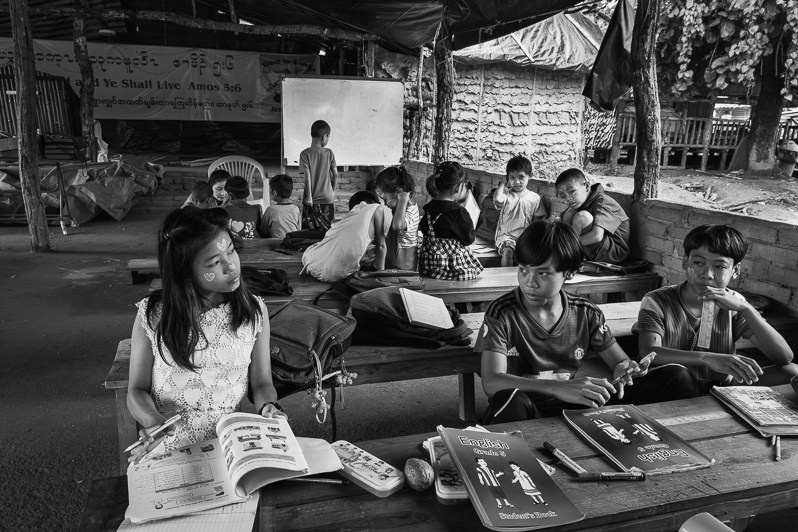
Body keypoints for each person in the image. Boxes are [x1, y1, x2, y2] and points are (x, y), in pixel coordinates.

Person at [477, 220, 698, 423]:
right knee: (508, 400)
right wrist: (558, 388)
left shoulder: (586, 313)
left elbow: (619, 362)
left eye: (543, 273)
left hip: (579, 405)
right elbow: (491, 382)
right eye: (523, 270)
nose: (530, 283)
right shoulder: (502, 313)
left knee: (675, 376)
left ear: (570, 273)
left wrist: (626, 369)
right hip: (529, 409)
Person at [126, 207, 285, 463]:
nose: (231, 266)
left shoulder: (253, 312)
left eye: (231, 251)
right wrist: (154, 422)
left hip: (230, 446)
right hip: (171, 445)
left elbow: (262, 384)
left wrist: (269, 407)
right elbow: (136, 391)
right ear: (184, 270)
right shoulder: (154, 314)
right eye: (214, 263)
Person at [634, 224, 798, 393]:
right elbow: (649, 351)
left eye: (720, 266)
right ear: (685, 262)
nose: (708, 274)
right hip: (673, 385)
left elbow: (784, 357)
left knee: (791, 371)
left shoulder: (735, 303)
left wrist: (745, 308)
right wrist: (707, 358)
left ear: (735, 270)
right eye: (698, 263)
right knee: (680, 375)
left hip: (720, 387)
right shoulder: (657, 300)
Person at [302, 191, 391, 282]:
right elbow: (381, 246)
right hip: (337, 273)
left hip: (315, 266)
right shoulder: (377, 209)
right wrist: (381, 276)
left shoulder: (346, 220)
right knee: (376, 250)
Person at [419, 161, 484, 280]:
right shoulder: (459, 212)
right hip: (452, 269)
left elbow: (424, 229)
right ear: (458, 187)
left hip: (430, 267)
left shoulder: (428, 209)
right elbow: (468, 239)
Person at [555, 168, 630, 264]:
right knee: (568, 214)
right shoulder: (582, 202)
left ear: (586, 186)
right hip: (598, 247)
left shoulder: (603, 202)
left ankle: (570, 253)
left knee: (582, 218)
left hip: (613, 253)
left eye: (572, 191)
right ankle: (571, 253)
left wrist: (568, 244)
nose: (568, 198)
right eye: (563, 196)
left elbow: (597, 236)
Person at [493, 155, 548, 266]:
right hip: (505, 236)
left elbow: (538, 222)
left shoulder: (535, 198)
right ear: (507, 178)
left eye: (521, 177)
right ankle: (505, 280)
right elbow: (498, 200)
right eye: (512, 178)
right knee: (508, 252)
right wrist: (503, 183)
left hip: (525, 237)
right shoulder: (506, 194)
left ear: (530, 176)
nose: (517, 181)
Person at [375, 166, 420, 270]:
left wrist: (403, 199)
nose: (385, 203)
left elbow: (397, 225)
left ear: (398, 192)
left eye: (385, 198)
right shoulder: (398, 210)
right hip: (393, 265)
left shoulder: (410, 212)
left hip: (404, 268)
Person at [300, 119, 338, 230]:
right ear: (324, 136)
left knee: (309, 231)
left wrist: (309, 197)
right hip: (327, 197)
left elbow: (307, 176)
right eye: (329, 137)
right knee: (327, 231)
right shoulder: (329, 153)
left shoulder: (304, 154)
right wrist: (332, 191)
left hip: (311, 199)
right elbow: (335, 174)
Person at [260, 174, 301, 239]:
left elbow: (263, 231)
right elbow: (299, 229)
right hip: (293, 243)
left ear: (274, 193)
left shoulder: (270, 210)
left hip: (276, 244)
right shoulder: (296, 209)